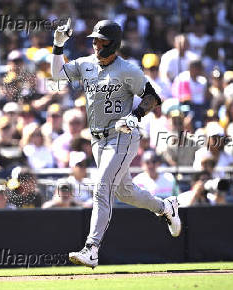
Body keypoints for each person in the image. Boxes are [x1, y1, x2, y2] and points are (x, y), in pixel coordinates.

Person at [51, 19, 181, 268]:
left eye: (101, 40)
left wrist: (135, 116)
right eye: (94, 40)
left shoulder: (127, 70)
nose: (96, 44)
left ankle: (92, 248)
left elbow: (153, 96)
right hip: (98, 140)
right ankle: (164, 206)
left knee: (102, 187)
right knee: (124, 192)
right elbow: (57, 75)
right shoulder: (86, 64)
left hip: (122, 135)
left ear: (114, 44)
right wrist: (58, 45)